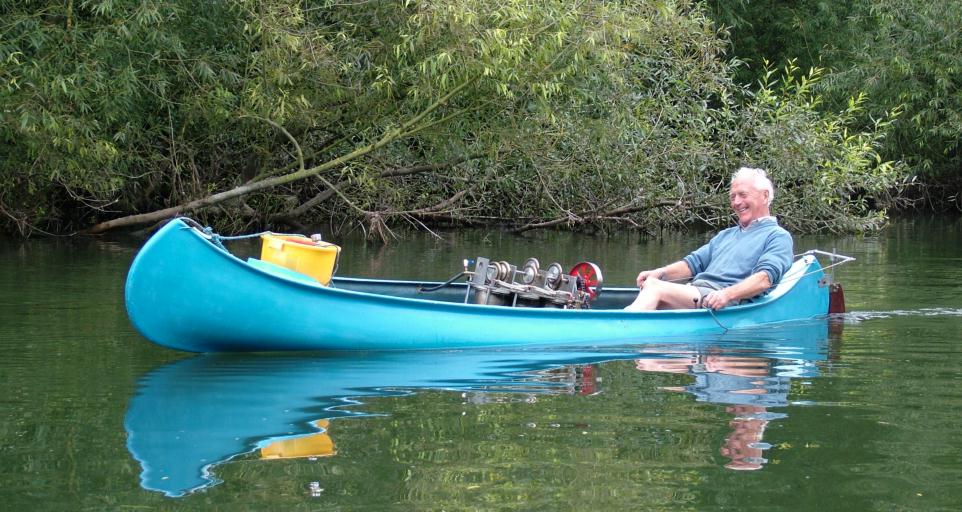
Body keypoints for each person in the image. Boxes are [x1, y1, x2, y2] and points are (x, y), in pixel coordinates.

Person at [624, 167, 793, 311]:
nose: (736, 202)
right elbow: (693, 264)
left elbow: (764, 279)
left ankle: (622, 325)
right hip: (696, 292)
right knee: (653, 284)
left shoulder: (778, 237)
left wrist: (726, 295)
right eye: (733, 197)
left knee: (654, 287)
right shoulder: (726, 235)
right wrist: (660, 273)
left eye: (742, 195)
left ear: (764, 196)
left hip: (722, 301)